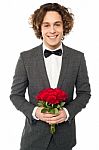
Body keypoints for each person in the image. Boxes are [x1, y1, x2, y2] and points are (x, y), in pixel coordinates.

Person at [10, 3, 91, 150]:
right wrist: (35, 112)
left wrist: (67, 112)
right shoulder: (25, 58)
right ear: (39, 28)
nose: (52, 30)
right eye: (46, 25)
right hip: (33, 139)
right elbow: (16, 95)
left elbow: (84, 93)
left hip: (65, 140)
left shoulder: (77, 58)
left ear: (64, 27)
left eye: (57, 24)